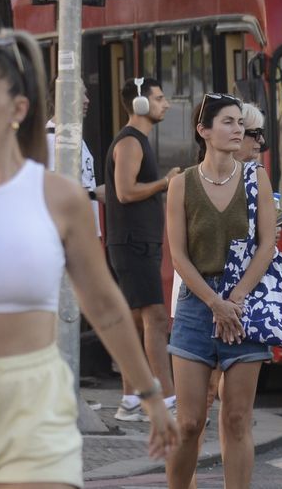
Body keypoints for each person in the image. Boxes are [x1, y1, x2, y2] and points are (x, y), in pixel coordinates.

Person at [0, 30, 177, 488]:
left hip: (34, 398)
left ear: (18, 109)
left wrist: (151, 397)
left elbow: (107, 309)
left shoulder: (60, 198)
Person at [165, 93, 278, 488]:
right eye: (228, 122)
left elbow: (268, 245)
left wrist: (235, 301)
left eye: (240, 123)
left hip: (243, 304)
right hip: (197, 306)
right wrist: (214, 303)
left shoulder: (255, 178)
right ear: (204, 131)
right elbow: (178, 255)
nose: (239, 130)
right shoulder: (182, 184)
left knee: (236, 418)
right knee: (191, 421)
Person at [103, 76, 180, 421]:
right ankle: (164, 398)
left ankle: (131, 399)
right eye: (159, 98)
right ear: (140, 104)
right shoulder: (132, 142)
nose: (166, 104)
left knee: (135, 320)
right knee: (156, 318)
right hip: (133, 243)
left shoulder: (137, 142)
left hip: (135, 241)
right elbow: (124, 192)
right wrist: (166, 182)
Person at [45, 82, 104, 235]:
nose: (87, 100)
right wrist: (94, 194)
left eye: (86, 94)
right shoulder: (52, 141)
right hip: (68, 237)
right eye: (80, 94)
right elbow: (52, 193)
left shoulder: (72, 136)